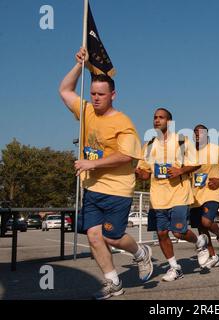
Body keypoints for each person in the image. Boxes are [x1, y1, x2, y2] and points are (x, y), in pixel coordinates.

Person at [59, 48, 153, 299]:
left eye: (101, 94)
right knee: (93, 236)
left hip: (117, 189)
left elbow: (127, 156)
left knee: (113, 237)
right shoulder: (87, 111)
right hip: (93, 189)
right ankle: (113, 282)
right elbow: (65, 91)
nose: (96, 98)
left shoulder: (123, 123)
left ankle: (141, 253)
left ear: (113, 95)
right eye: (93, 94)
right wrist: (79, 65)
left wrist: (92, 165)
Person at [135, 108, 210, 281]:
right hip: (158, 197)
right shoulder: (149, 145)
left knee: (178, 232)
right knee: (161, 233)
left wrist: (180, 170)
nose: (156, 120)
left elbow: (196, 163)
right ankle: (174, 267)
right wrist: (139, 174)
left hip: (179, 194)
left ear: (169, 122)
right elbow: (146, 173)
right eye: (154, 117)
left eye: (161, 117)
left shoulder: (182, 141)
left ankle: (199, 242)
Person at [190, 124, 219, 268]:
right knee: (202, 230)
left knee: (206, 222)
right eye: (195, 132)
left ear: (207, 135)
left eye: (201, 132)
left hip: (213, 191)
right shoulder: (189, 152)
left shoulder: (218, 150)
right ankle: (213, 256)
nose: (197, 134)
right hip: (195, 194)